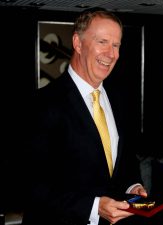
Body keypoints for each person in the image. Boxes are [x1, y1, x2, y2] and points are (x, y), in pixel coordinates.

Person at [22, 8, 148, 225]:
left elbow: (124, 162)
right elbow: (29, 185)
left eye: (116, 45)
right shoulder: (41, 104)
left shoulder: (120, 99)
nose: (111, 54)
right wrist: (94, 206)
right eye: (103, 42)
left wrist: (132, 186)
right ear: (78, 44)